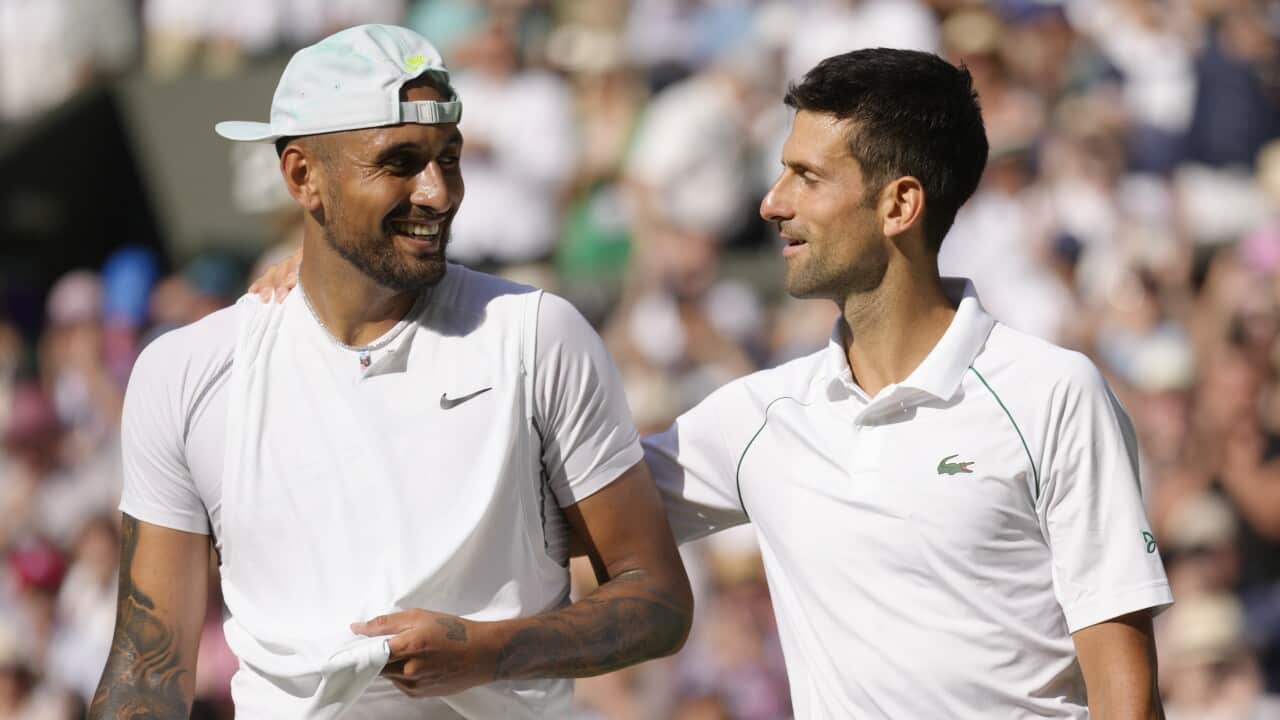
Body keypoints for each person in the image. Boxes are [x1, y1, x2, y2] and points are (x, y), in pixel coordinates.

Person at [255, 48, 1173, 718]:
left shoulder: (1054, 394)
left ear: (899, 205)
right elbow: (543, 503)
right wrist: (342, 280)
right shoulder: (759, 420)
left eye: (805, 177)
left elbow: (1126, 696)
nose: (770, 203)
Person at [91, 25, 691, 720]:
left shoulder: (538, 336)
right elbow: (146, 672)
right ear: (301, 176)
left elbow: (656, 600)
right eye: (400, 162)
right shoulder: (185, 371)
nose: (438, 193)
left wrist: (489, 651)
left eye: (450, 157)